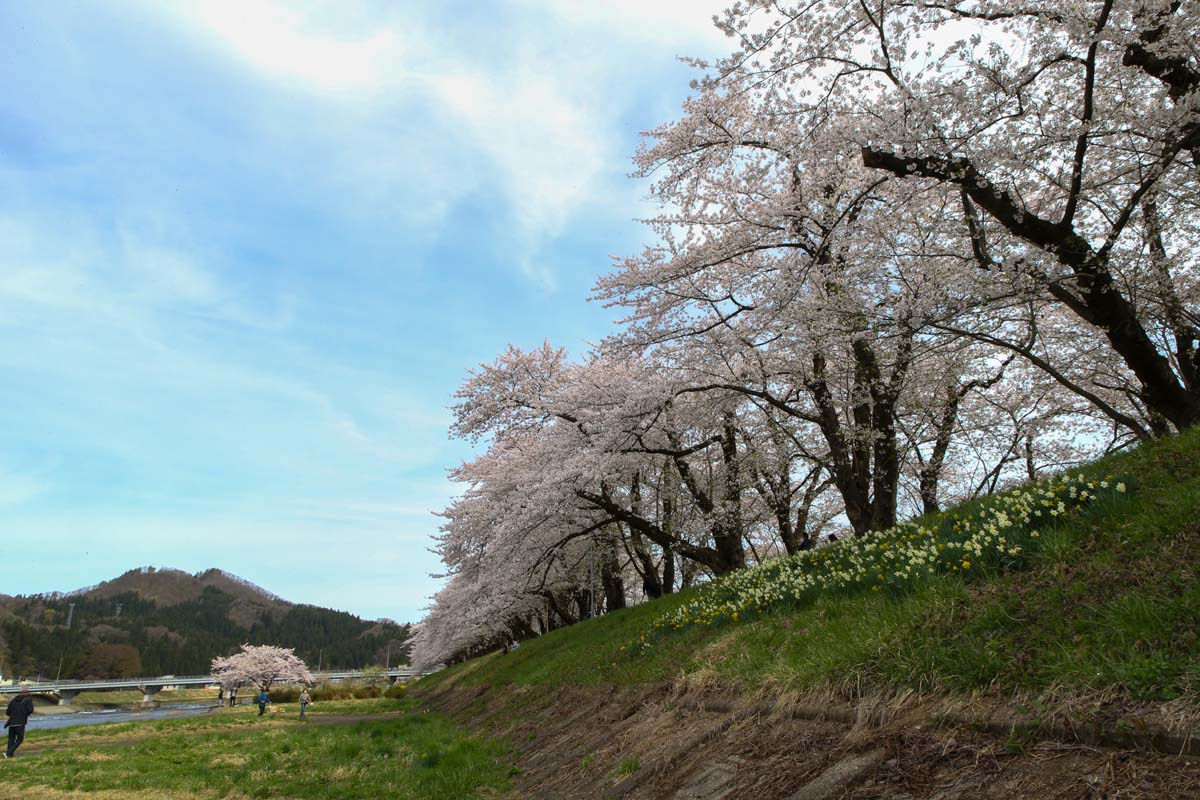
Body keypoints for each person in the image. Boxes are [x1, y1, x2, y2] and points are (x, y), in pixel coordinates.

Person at [4, 687, 34, 759]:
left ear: (20, 693)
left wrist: (13, 715)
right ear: (27, 693)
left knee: (11, 739)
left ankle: (10, 754)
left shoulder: (13, 700)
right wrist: (23, 714)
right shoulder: (28, 700)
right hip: (20, 722)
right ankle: (8, 753)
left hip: (11, 722)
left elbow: (8, 712)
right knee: (20, 739)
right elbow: (30, 710)